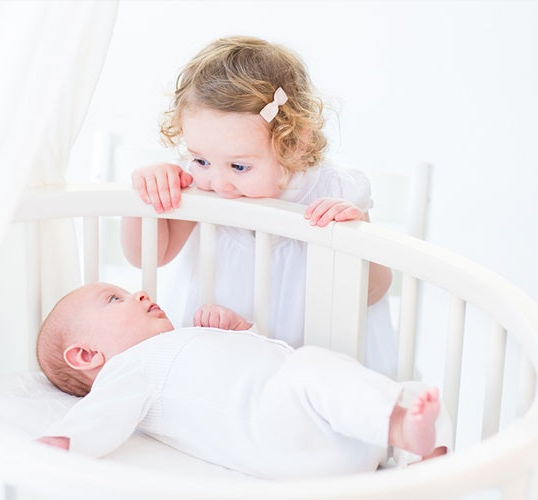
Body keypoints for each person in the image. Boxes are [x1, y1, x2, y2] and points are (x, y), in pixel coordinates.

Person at [120, 35, 398, 378]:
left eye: (239, 167)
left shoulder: (335, 190)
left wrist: (352, 236)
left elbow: (375, 290)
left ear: (294, 143)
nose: (219, 183)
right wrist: (144, 197)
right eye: (201, 159)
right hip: (220, 358)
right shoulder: (195, 184)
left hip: (314, 360)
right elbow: (147, 255)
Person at [36, 282, 450, 480]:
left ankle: (417, 466)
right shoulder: (128, 369)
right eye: (115, 300)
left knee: (412, 390)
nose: (139, 294)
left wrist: (238, 329)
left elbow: (256, 358)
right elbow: (102, 414)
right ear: (87, 355)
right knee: (310, 367)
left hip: (338, 430)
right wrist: (63, 443)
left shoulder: (177, 342)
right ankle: (399, 429)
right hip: (287, 437)